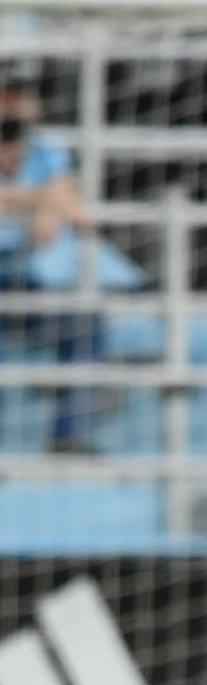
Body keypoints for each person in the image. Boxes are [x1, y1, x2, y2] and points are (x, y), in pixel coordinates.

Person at [0, 91, 101, 453]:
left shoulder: (44, 147)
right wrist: (41, 201)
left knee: (85, 325)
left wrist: (48, 204)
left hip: (27, 280)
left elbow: (74, 205)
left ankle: (67, 436)